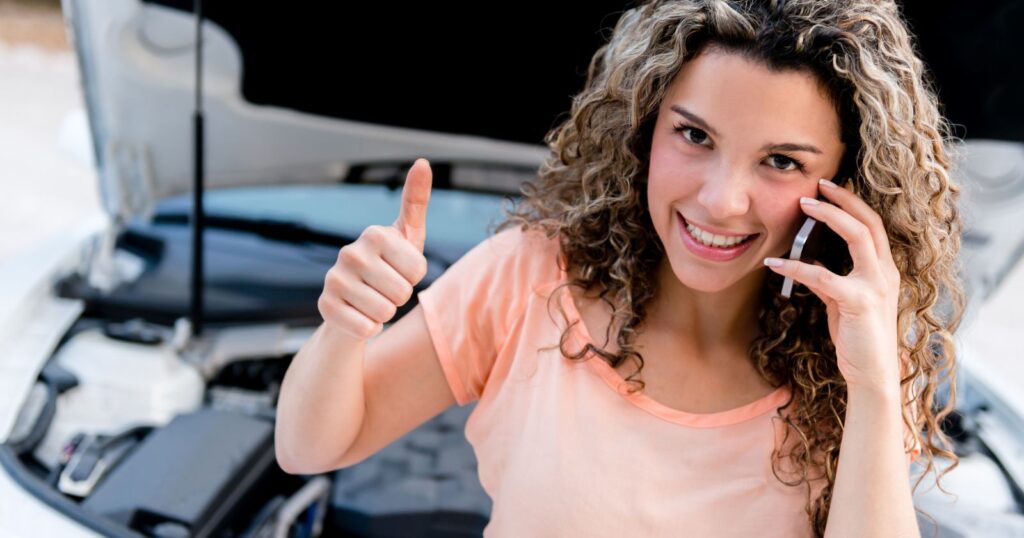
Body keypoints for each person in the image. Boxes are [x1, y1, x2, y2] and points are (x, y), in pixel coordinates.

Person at [275, 0, 966, 536]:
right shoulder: (530, 277)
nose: (721, 201)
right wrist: (342, 327)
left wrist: (875, 383)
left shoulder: (862, 361)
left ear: (846, 184)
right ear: (645, 125)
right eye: (694, 136)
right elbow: (309, 446)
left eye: (781, 161)